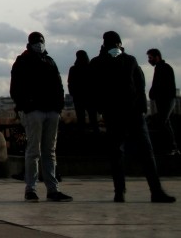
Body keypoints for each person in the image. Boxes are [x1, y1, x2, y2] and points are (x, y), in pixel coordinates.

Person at [90, 31, 176, 203]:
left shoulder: (99, 62)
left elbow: (95, 88)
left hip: (118, 114)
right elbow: (140, 83)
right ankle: (154, 190)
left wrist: (101, 109)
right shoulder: (127, 60)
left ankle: (120, 192)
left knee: (118, 153)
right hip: (131, 113)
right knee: (144, 152)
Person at [10, 32, 72, 202]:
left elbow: (58, 85)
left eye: (41, 42)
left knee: (47, 151)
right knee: (35, 151)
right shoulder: (24, 62)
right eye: (37, 42)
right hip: (36, 110)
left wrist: (57, 107)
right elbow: (15, 88)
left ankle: (51, 189)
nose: (39, 44)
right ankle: (32, 189)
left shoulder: (47, 61)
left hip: (48, 110)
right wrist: (27, 106)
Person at [147, 49, 180, 156]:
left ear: (157, 57)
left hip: (166, 100)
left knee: (164, 122)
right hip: (166, 99)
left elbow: (159, 85)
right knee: (165, 122)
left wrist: (154, 94)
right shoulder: (163, 67)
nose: (149, 60)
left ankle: (172, 147)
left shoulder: (162, 68)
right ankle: (172, 147)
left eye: (150, 58)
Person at [67, 50, 98, 134]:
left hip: (78, 97)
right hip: (90, 97)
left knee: (81, 118)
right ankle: (96, 134)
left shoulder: (73, 69)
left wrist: (73, 93)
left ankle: (81, 134)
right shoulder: (91, 68)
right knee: (93, 118)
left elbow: (70, 83)